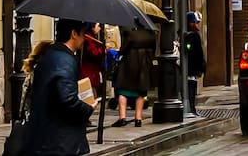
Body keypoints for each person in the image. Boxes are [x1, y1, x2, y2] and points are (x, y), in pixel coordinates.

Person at [20, 20, 94, 156]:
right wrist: (88, 108)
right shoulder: (64, 60)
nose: (84, 39)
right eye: (83, 34)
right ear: (74, 34)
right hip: (59, 141)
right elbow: (67, 99)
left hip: (47, 138)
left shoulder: (51, 56)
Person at [111, 22, 159, 127]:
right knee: (141, 92)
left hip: (129, 63)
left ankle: (122, 118)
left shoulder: (129, 32)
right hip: (144, 63)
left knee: (123, 90)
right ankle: (138, 119)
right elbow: (154, 49)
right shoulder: (151, 33)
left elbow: (123, 49)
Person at [181, 12, 205, 111]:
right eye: (194, 22)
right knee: (191, 87)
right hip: (192, 66)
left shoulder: (184, 33)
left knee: (189, 87)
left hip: (189, 66)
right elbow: (198, 51)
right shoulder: (193, 34)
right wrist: (202, 65)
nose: (196, 24)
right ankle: (191, 108)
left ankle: (191, 107)